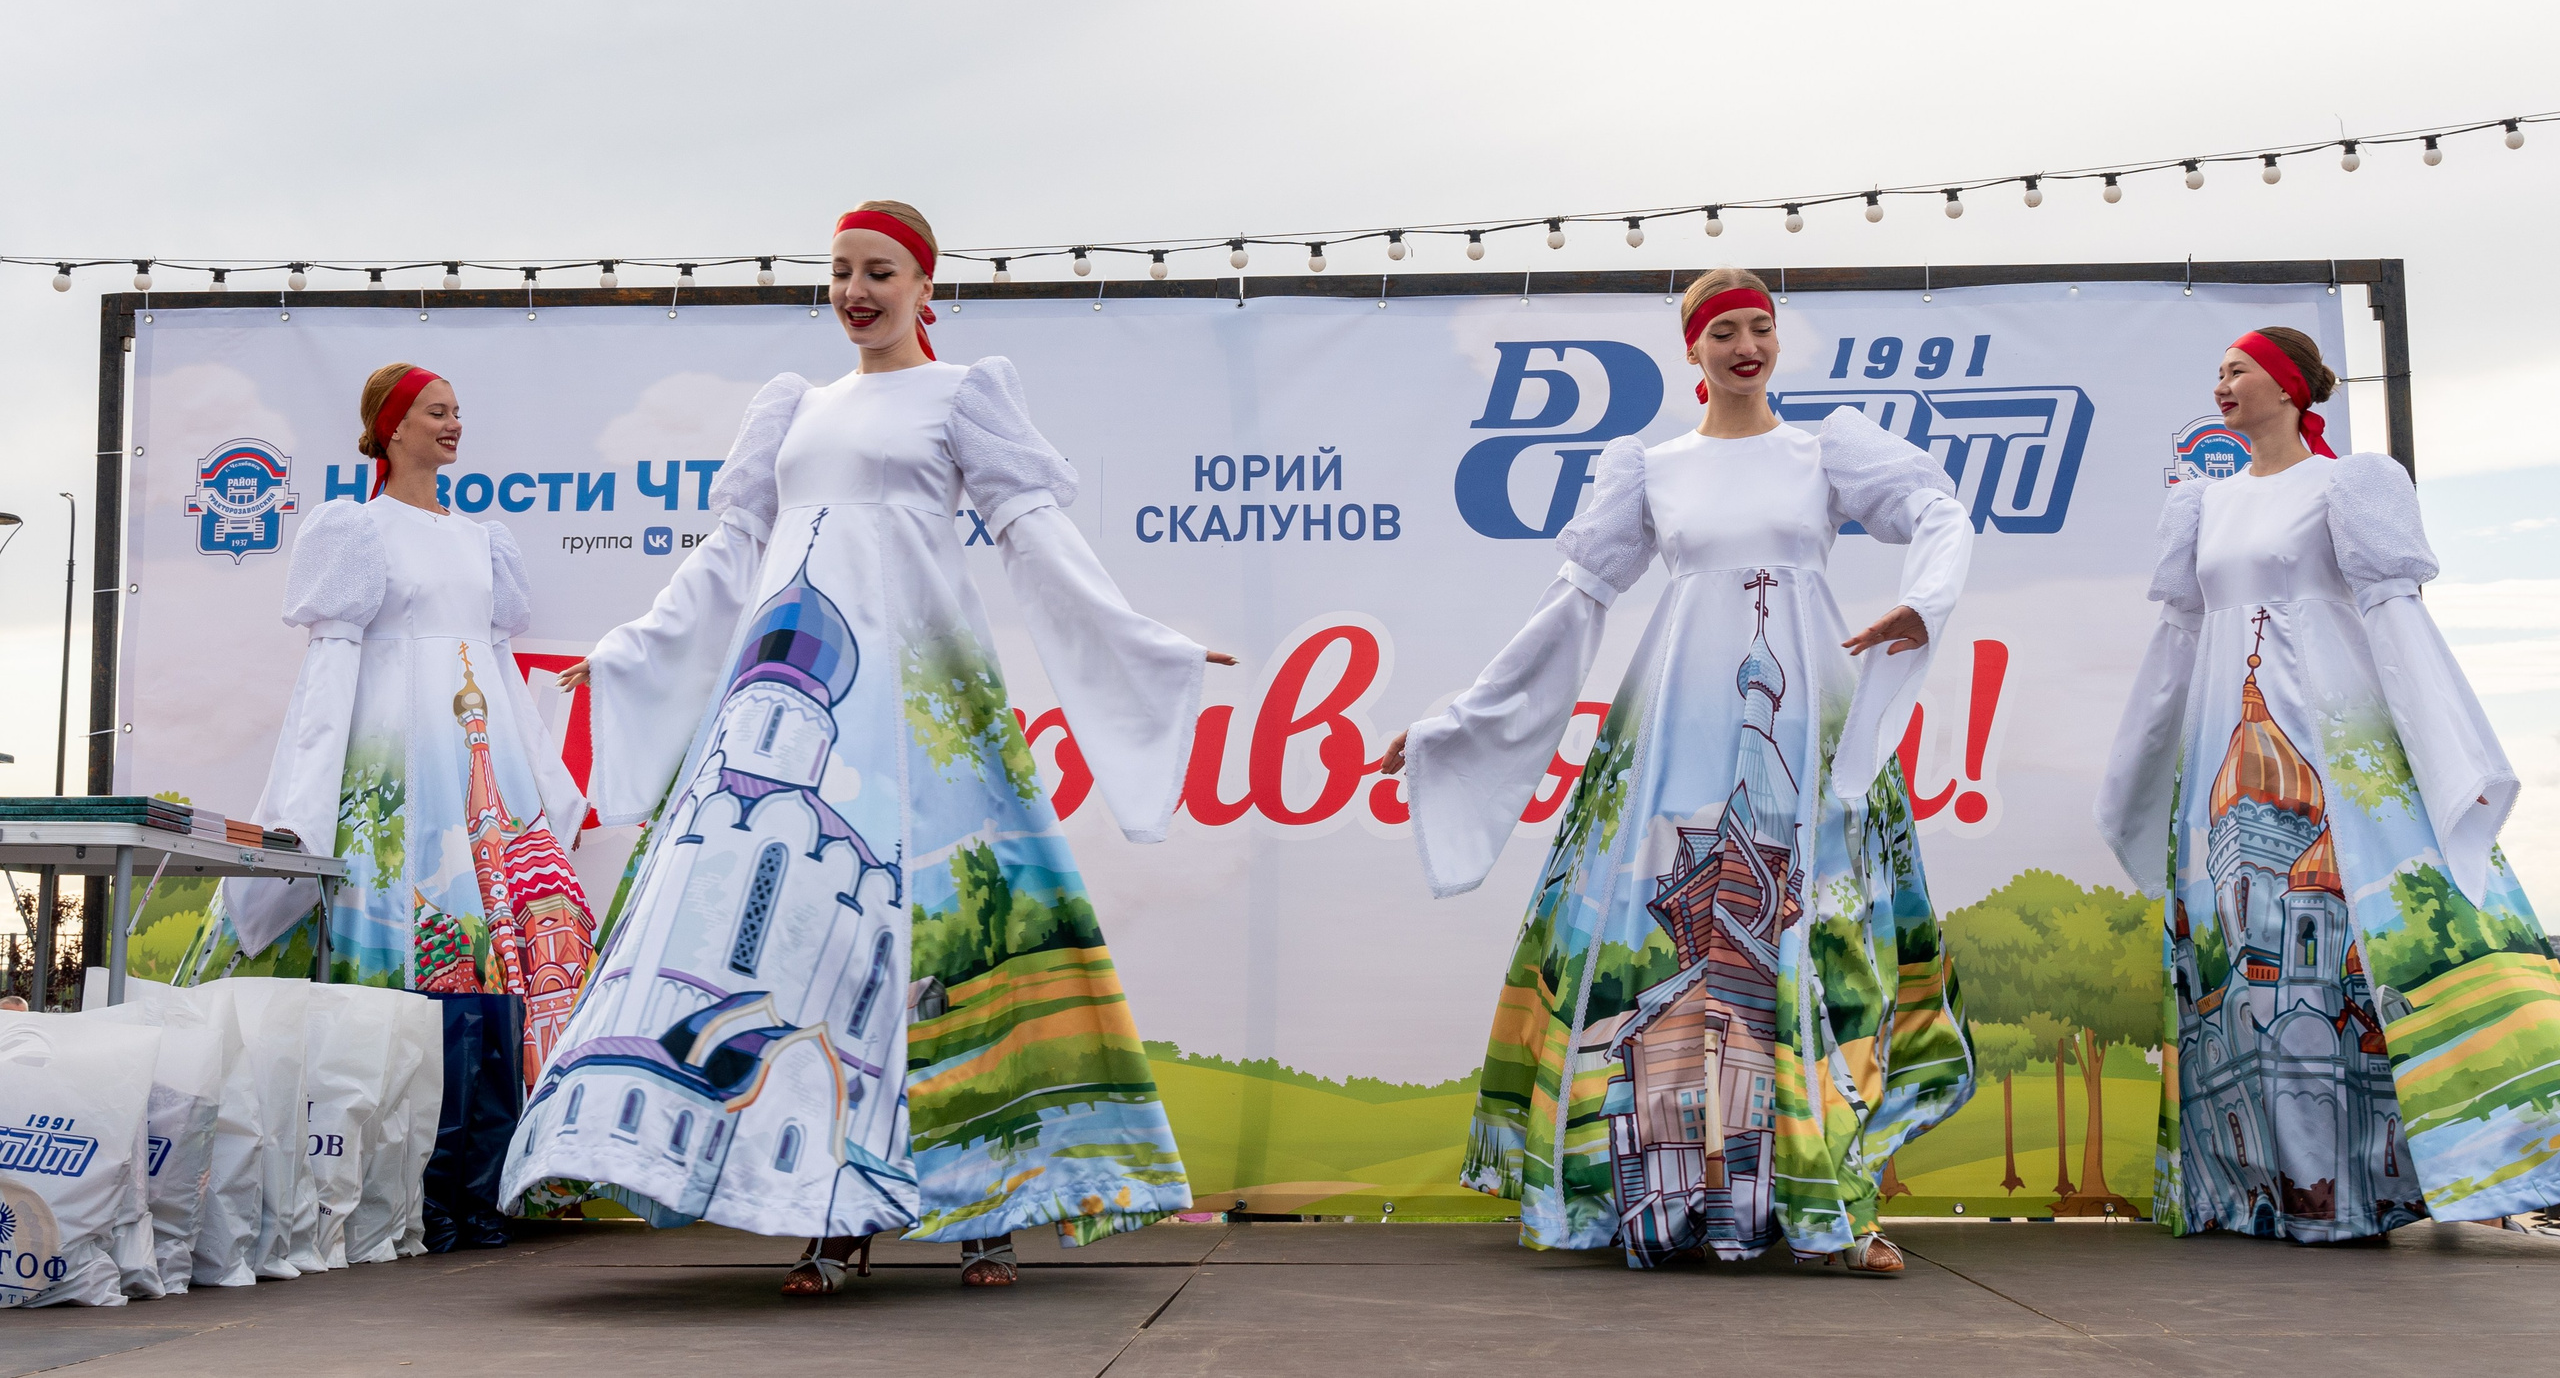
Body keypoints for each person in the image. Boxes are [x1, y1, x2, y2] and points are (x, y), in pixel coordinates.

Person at [503, 200, 1233, 1294]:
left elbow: (1035, 534)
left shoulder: (960, 393)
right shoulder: (793, 408)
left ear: (923, 285)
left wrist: (1143, 641)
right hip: (784, 716)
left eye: (878, 271)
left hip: (923, 697)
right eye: (841, 270)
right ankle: (831, 1217)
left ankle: (989, 1212)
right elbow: (734, 546)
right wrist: (630, 648)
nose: (856, 289)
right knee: (796, 950)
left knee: (950, 949)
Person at [1380, 269, 1977, 1275]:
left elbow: (1936, 510)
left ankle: (1831, 1210)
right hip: (1676, 723)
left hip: (1808, 717)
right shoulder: (1653, 468)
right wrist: (1455, 717)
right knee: (1675, 958)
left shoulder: (1822, 450)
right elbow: (1569, 607)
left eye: (1760, 329)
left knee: (1816, 943)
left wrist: (1924, 600)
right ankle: (1664, 1205)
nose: (1746, 346)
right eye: (1723, 333)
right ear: (1691, 352)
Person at [2096, 327, 2560, 1242]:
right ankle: (2264, 1190)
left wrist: (2440, 746)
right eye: (2219, 370)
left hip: (2332, 736)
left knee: (2351, 949)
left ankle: (2384, 1186)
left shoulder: (2346, 486)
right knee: (2243, 963)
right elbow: (2180, 643)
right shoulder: (2203, 504)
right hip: (2228, 747)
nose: (2223, 383)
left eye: (2237, 370)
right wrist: (2143, 759)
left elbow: (2392, 618)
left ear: (2288, 387)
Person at [180, 363, 596, 1245]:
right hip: (398, 758)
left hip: (479, 755)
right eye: (437, 413)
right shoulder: (357, 529)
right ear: (392, 426)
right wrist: (313, 789)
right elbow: (331, 670)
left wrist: (537, 777)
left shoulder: (485, 539)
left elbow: (498, 662)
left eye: (457, 413)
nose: (453, 426)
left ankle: (483, 1190)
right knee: (417, 964)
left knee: (490, 967)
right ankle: (402, 1196)